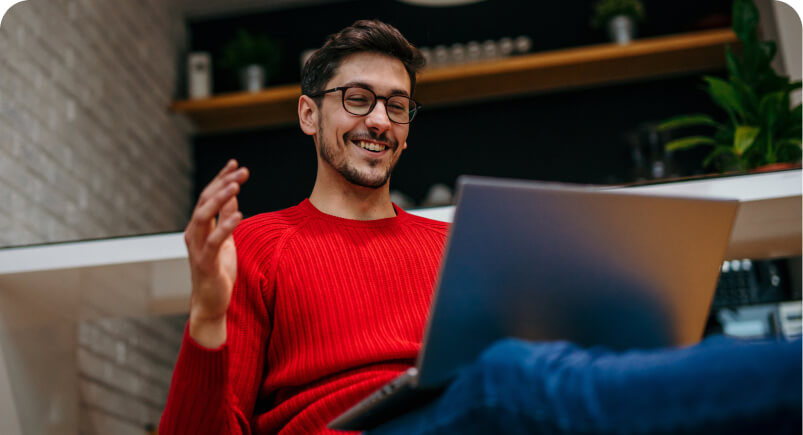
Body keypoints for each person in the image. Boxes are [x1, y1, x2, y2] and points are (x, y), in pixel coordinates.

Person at [159, 20, 801, 435]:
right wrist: (208, 317)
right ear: (308, 114)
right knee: (509, 378)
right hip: (365, 425)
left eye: (398, 106)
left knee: (546, 375)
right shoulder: (259, 247)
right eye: (357, 98)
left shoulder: (454, 247)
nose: (380, 119)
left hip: (466, 411)